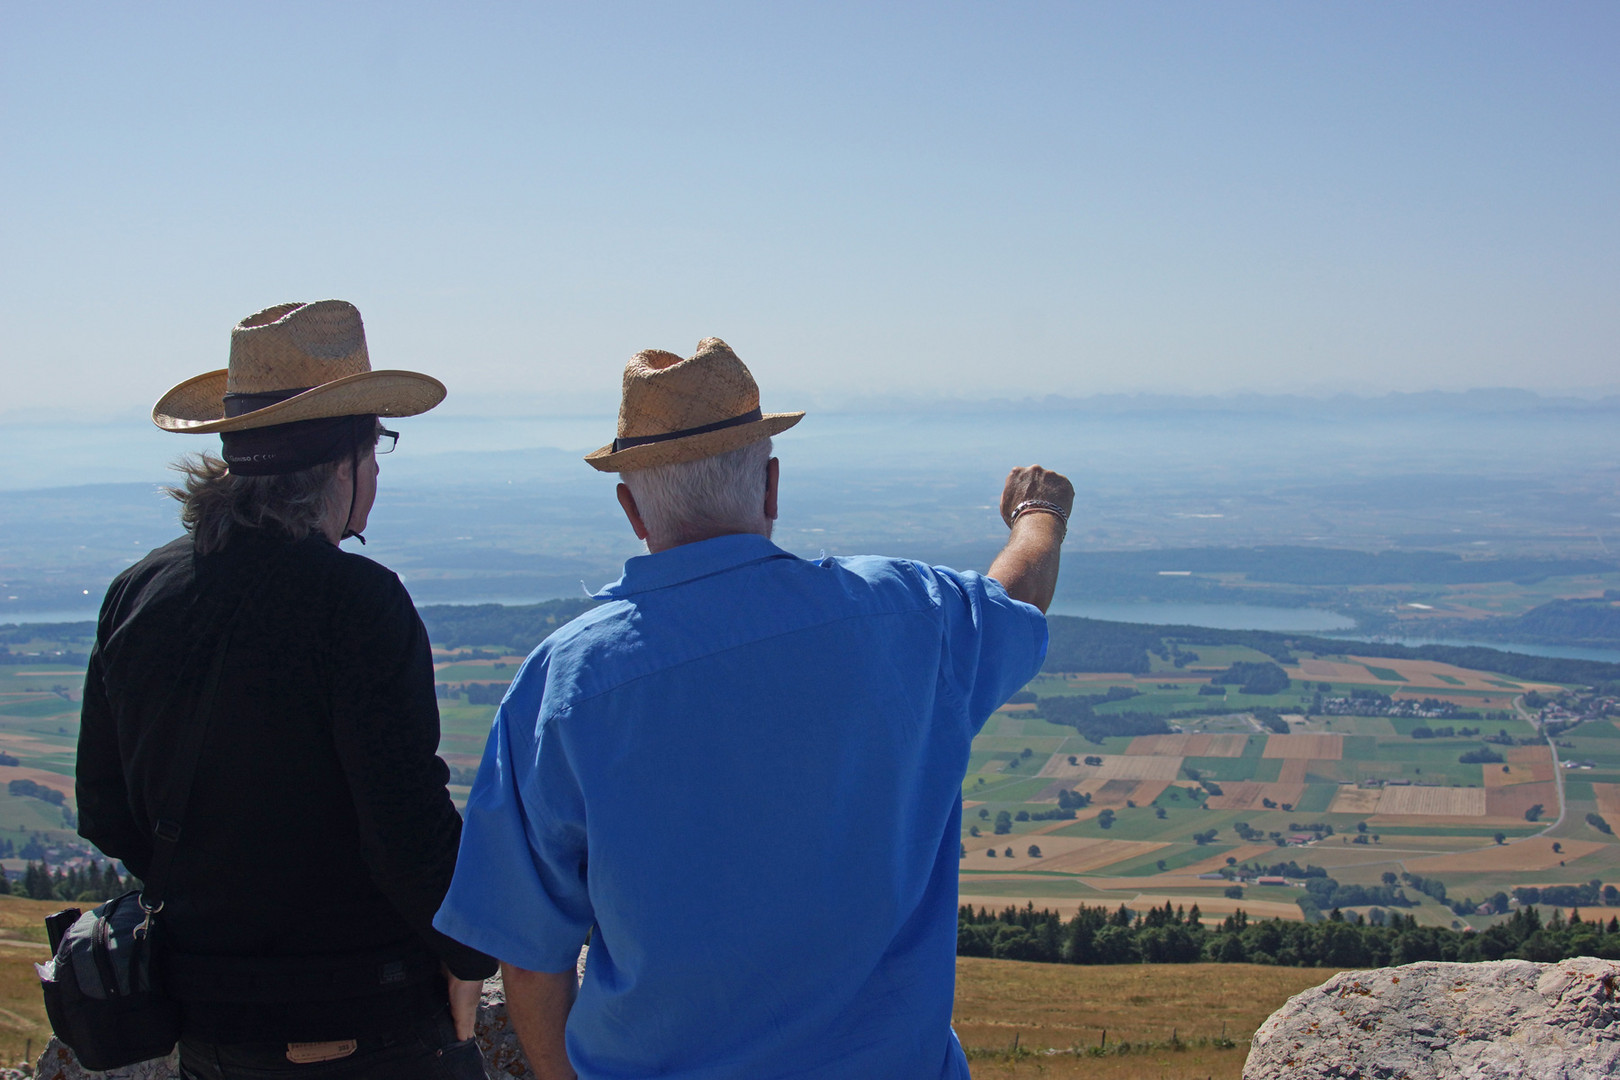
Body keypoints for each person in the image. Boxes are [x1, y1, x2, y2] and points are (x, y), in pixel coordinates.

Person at [434, 338, 1071, 1079]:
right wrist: (1039, 512)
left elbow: (532, 958)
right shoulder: (903, 616)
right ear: (770, 487)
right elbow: (1014, 597)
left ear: (631, 508)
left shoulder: (564, 686)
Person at [76, 301, 495, 1079]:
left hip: (205, 1024)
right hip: (363, 1022)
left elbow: (103, 807)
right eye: (377, 449)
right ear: (345, 460)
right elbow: (405, 832)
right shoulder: (359, 605)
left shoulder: (138, 591)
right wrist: (471, 950)